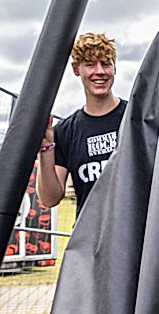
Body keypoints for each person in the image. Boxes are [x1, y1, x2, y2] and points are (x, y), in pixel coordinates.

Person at [37, 32, 126, 213]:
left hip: (137, 234)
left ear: (114, 69)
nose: (99, 71)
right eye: (90, 65)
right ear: (76, 69)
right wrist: (45, 148)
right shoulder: (65, 131)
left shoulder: (136, 118)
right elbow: (49, 199)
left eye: (106, 64)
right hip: (91, 237)